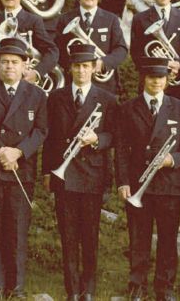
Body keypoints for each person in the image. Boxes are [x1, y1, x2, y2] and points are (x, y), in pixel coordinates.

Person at [0, 37, 48, 299]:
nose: (9, 67)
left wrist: (19, 151)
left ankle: (17, 286)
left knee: (18, 229)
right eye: (4, 62)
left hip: (21, 170)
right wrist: (1, 150)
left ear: (25, 65)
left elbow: (41, 131)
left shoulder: (36, 94)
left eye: (15, 62)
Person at [42, 43, 116, 301]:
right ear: (70, 68)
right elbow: (49, 138)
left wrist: (97, 138)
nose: (82, 71)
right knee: (68, 234)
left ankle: (89, 287)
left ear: (94, 68)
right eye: (77, 66)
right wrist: (47, 172)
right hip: (64, 175)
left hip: (92, 174)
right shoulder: (56, 97)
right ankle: (72, 288)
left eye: (86, 66)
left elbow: (114, 135)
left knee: (90, 233)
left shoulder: (107, 99)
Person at [115, 57, 180, 301]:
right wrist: (123, 181)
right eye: (151, 77)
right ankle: (137, 285)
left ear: (167, 80)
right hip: (138, 184)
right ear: (143, 79)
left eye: (160, 78)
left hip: (168, 185)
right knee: (138, 238)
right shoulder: (128, 108)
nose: (156, 82)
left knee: (168, 240)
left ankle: (165, 288)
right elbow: (121, 149)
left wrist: (173, 160)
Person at [53, 0, 128, 94]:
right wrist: (74, 67)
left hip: (104, 85)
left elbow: (121, 49)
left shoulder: (111, 19)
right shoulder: (65, 19)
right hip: (74, 82)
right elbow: (58, 50)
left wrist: (104, 62)